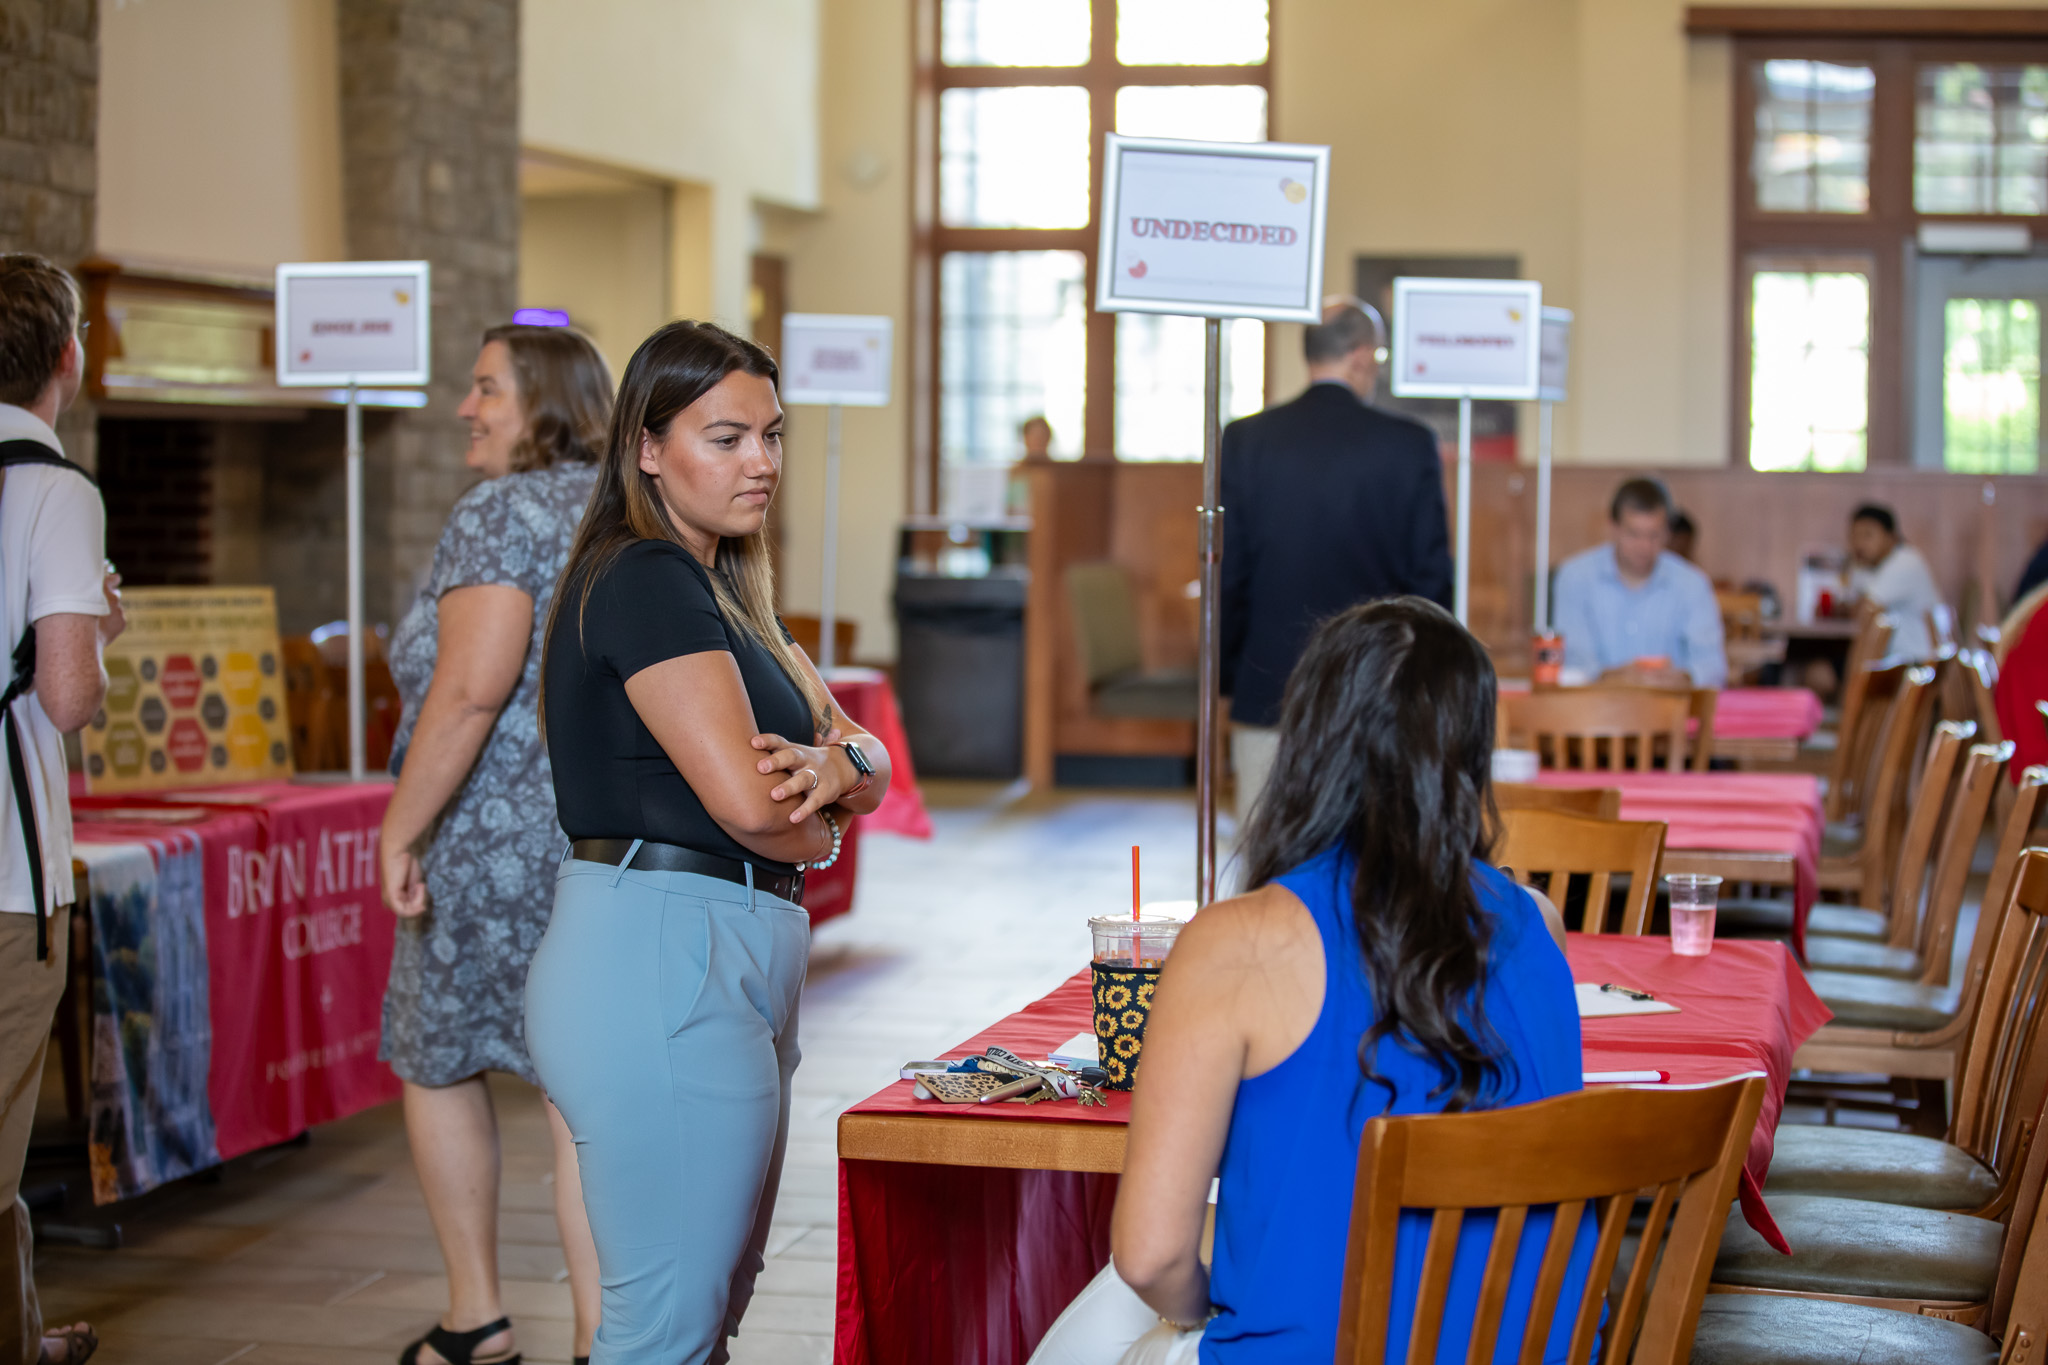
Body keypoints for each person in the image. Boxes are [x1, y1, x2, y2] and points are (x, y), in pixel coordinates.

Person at [1030, 597, 1584, 1365]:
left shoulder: (1237, 943)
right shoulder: (1538, 923)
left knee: (1095, 1331)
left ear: (1310, 739)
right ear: (1471, 749)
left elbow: (1152, 1254)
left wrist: (1204, 1311)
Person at [525, 320, 893, 1364]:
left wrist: (833, 772)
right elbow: (746, 802)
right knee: (665, 1333)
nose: (762, 463)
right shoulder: (646, 576)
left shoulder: (726, 587)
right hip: (660, 951)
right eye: (725, 438)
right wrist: (826, 802)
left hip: (711, 949)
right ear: (646, 447)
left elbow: (854, 747)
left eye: (771, 436)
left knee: (699, 1319)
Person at [377, 324, 613, 1365]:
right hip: (600, 835)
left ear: (545, 403)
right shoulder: (623, 504)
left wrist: (400, 824)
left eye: (486, 390)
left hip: (486, 843)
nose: (466, 409)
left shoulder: (498, 510)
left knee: (438, 1061)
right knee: (581, 1088)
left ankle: (476, 1315)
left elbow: (469, 691)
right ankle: (605, 1335)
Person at [0, 254, 120, 1365]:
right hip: (3, 864)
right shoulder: (52, 490)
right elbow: (67, 694)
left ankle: (24, 1334)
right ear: (67, 360)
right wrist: (97, 633)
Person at [1219, 298, 1452, 823]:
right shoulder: (1409, 445)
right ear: (1363, 357)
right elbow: (1430, 578)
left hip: (1269, 684)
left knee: (1267, 859)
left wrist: (1228, 676)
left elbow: (1229, 574)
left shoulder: (1246, 440)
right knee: (1375, 857)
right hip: (1378, 689)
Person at [1551, 477, 1727, 688]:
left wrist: (1684, 677)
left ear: (1668, 531)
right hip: (1594, 714)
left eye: (1654, 535)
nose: (1644, 546)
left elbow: (1712, 666)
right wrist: (1616, 679)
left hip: (1671, 715)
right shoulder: (1575, 577)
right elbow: (1573, 664)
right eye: (1634, 534)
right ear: (1613, 527)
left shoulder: (1693, 583)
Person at [1847, 503, 1943, 662]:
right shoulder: (1877, 565)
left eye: (1867, 535)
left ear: (1890, 536)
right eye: (1854, 536)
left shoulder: (1905, 562)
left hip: (1915, 664)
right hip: (1896, 660)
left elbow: (1865, 611)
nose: (1859, 544)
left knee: (1821, 671)